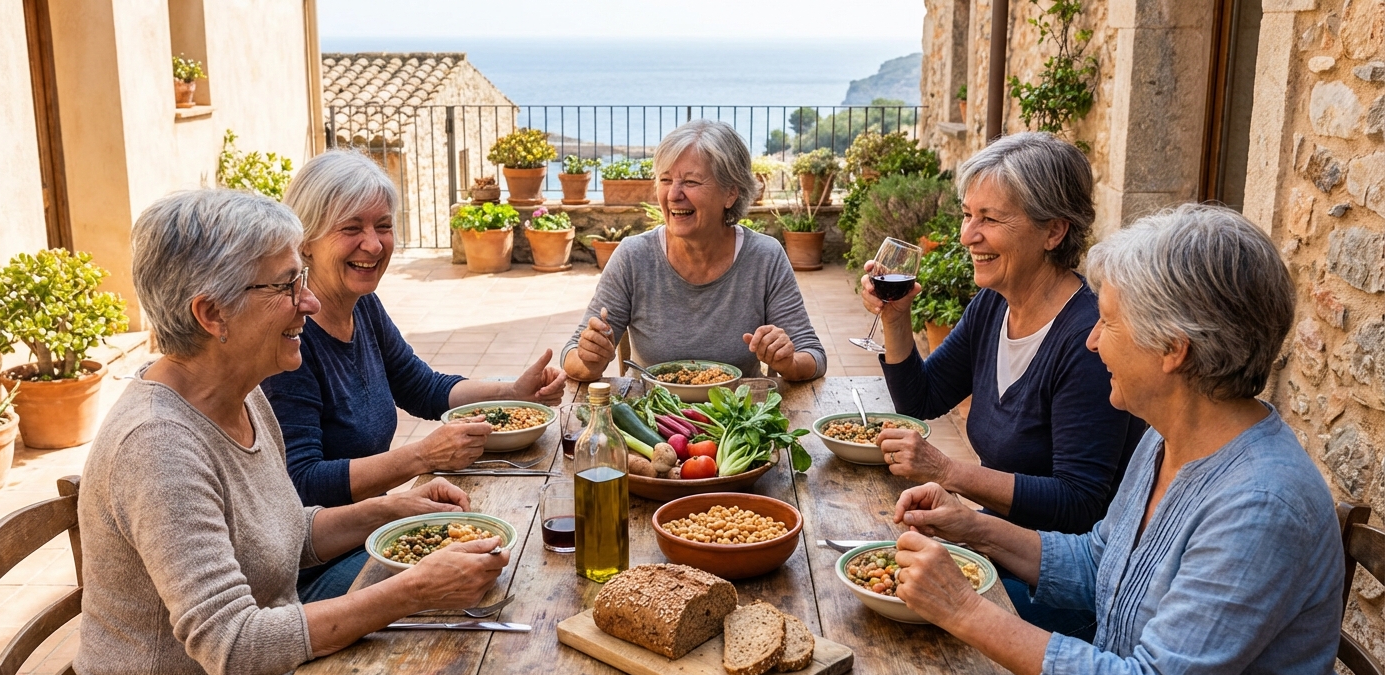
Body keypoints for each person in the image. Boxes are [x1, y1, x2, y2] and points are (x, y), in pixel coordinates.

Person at [890, 204, 1342, 675]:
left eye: (1107, 322)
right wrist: (972, 526)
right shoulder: (1166, 440)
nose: (1090, 342)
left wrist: (963, 609)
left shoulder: (1260, 504)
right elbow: (1099, 561)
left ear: (1173, 349)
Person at [75, 190, 510, 675]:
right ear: (212, 314)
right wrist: (413, 589)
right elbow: (231, 646)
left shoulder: (244, 396)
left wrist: (391, 510)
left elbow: (286, 533)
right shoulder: (157, 446)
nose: (308, 300)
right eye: (285, 286)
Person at [862, 132, 1143, 638]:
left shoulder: (1088, 341)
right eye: (968, 215)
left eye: (989, 219)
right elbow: (920, 400)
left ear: (1053, 231)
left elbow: (1081, 501)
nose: (969, 235)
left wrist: (951, 472)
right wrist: (897, 319)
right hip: (994, 544)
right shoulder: (994, 306)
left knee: (902, 624)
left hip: (1057, 583)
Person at [263, 150, 566, 509]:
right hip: (327, 552)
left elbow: (421, 388)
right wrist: (423, 456)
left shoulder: (362, 306)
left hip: (374, 522)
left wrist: (513, 391)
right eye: (351, 228)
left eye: (384, 226)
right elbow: (303, 483)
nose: (374, 245)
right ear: (305, 242)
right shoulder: (290, 338)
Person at [562, 120, 826, 382]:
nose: (674, 194)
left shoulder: (764, 257)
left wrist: (789, 362)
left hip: (735, 418)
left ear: (730, 193)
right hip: (652, 417)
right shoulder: (633, 257)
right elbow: (572, 356)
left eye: (690, 182)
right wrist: (589, 359)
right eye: (665, 180)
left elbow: (813, 356)